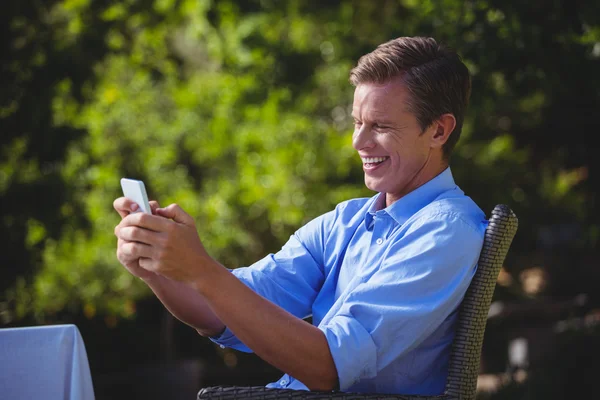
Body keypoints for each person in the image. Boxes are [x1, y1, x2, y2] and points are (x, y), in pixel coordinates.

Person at [113, 36, 486, 395]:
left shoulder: (446, 231)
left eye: (381, 126)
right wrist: (155, 267)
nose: (358, 142)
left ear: (439, 130)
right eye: (357, 122)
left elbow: (328, 368)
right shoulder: (345, 222)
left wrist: (199, 269)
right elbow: (221, 314)